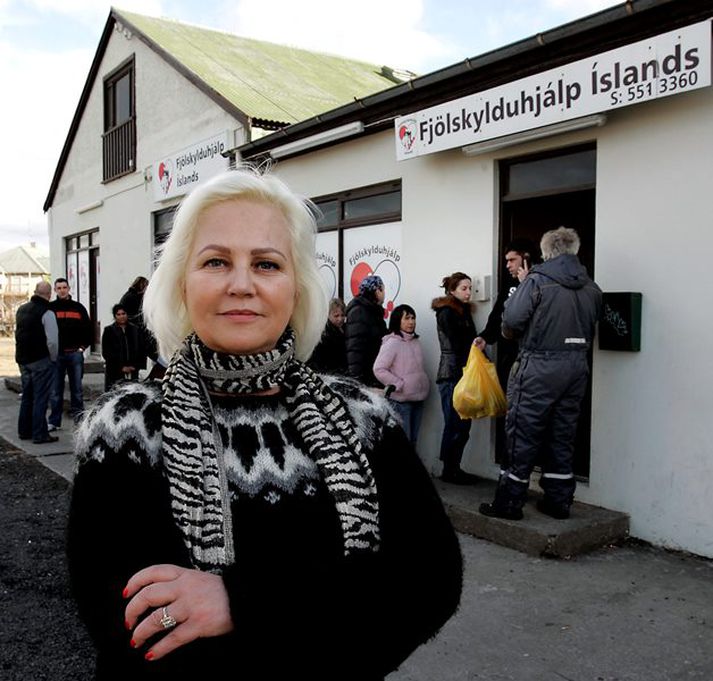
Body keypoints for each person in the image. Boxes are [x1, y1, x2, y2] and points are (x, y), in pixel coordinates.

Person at [67, 168, 462, 681]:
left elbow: (428, 583)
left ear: (296, 288)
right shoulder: (125, 428)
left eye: (266, 264)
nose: (241, 284)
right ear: (182, 284)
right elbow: (130, 627)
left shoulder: (363, 417)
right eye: (215, 261)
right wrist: (337, 600)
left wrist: (239, 602)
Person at [480, 227, 602, 521]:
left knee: (522, 433)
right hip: (577, 367)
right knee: (563, 434)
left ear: (545, 253)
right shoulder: (591, 287)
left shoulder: (536, 281)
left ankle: (509, 503)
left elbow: (510, 324)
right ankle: (559, 502)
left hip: (539, 365)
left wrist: (522, 288)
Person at [474, 239, 538, 464]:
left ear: (526, 259)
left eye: (512, 260)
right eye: (506, 261)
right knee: (510, 413)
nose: (508, 265)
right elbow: (497, 316)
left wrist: (527, 284)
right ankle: (509, 464)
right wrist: (485, 336)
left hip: (534, 362)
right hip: (510, 360)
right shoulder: (508, 285)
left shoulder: (539, 283)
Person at [431, 272, 479, 485]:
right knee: (454, 423)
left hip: (462, 374)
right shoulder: (447, 312)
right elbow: (459, 344)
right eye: (464, 288)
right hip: (451, 375)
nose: (468, 292)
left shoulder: (462, 311)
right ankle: (449, 469)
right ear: (452, 290)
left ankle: (454, 467)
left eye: (470, 288)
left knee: (463, 424)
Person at [373, 304, 429, 446]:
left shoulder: (415, 341)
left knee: (414, 441)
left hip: (418, 399)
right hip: (401, 402)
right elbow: (379, 369)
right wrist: (398, 384)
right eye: (407, 318)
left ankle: (412, 469)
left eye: (413, 318)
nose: (411, 322)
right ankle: (403, 469)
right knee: (404, 443)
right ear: (398, 320)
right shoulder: (392, 343)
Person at [15, 281, 59, 444]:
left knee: (27, 396)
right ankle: (40, 433)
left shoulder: (22, 309)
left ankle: (24, 430)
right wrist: (53, 358)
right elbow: (52, 341)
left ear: (35, 292)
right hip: (40, 359)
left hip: (23, 359)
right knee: (41, 397)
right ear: (49, 294)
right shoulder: (47, 312)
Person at [48, 277, 93, 429]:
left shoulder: (78, 308)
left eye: (64, 287)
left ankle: (79, 421)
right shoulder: (50, 309)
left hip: (75, 354)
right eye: (59, 288)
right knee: (56, 391)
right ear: (55, 290)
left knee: (77, 390)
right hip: (56, 356)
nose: (62, 290)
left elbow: (88, 329)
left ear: (69, 289)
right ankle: (54, 421)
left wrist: (82, 347)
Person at [344, 274, 387, 387]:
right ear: (377, 291)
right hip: (366, 379)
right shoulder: (360, 312)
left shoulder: (372, 311)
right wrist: (358, 382)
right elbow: (355, 348)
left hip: (374, 374)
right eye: (383, 289)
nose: (384, 294)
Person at [101, 303, 147, 391]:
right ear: (115, 316)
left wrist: (135, 366)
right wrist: (121, 367)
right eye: (118, 314)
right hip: (115, 372)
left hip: (133, 371)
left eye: (123, 314)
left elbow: (141, 349)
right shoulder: (109, 331)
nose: (121, 316)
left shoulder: (135, 330)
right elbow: (107, 352)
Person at [307, 297, 347, 374]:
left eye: (342, 315)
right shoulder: (324, 334)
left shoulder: (343, 329)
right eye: (336, 316)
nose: (340, 319)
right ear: (327, 315)